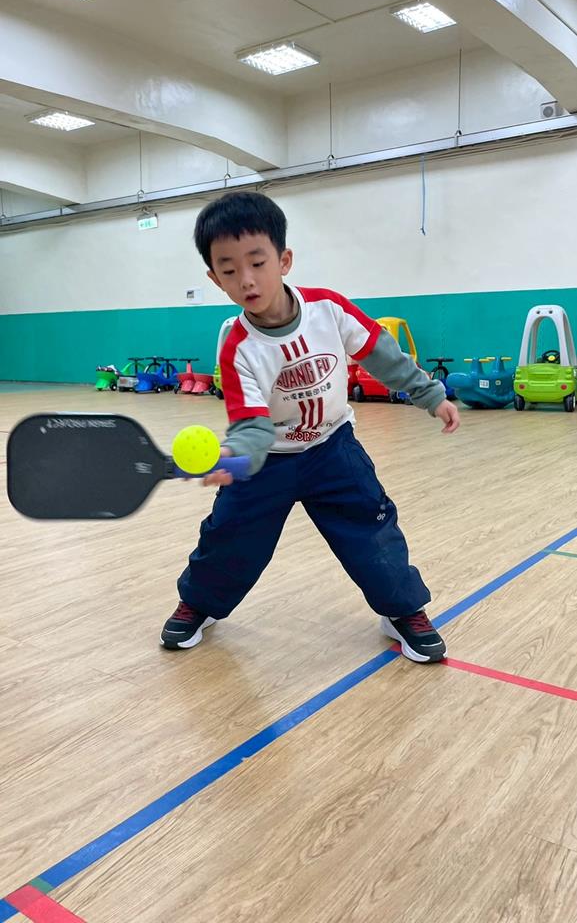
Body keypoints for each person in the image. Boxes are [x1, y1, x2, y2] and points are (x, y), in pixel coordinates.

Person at [161, 191, 460, 662]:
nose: (246, 279)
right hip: (267, 462)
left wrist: (429, 394)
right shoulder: (237, 349)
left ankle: (402, 611)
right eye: (229, 270)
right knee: (229, 537)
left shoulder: (328, 309)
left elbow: (380, 353)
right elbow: (252, 425)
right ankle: (199, 604)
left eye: (257, 262)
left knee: (372, 530)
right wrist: (236, 459)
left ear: (284, 260)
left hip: (333, 448)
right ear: (215, 279)